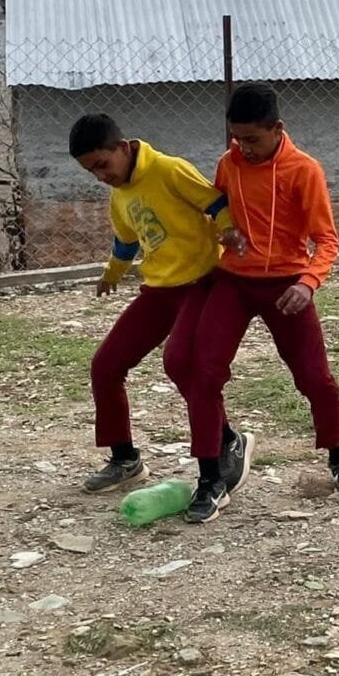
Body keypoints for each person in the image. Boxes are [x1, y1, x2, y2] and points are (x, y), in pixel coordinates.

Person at [176, 82, 339, 524]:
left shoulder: (305, 170)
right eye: (237, 139)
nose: (245, 148)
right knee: (203, 374)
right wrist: (224, 231)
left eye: (253, 139)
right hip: (233, 282)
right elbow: (219, 213)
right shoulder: (229, 165)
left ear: (278, 128)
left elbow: (327, 240)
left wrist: (308, 282)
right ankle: (210, 478)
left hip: (287, 286)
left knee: (316, 379)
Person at [69, 113, 254, 498]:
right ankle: (125, 459)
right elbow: (126, 243)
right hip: (158, 289)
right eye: (92, 172)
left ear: (122, 147)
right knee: (106, 364)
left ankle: (226, 440)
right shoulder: (119, 194)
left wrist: (227, 228)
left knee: (180, 362)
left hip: (199, 284)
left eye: (102, 165)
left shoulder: (170, 170)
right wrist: (112, 273)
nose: (101, 176)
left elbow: (216, 201)